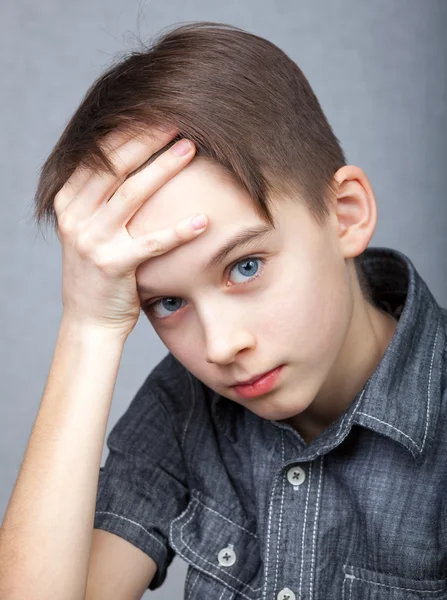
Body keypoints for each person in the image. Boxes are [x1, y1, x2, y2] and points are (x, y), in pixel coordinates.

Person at [1, 20, 446, 600]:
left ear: (346, 214)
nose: (219, 346)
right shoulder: (185, 407)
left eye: (245, 266)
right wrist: (88, 326)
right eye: (166, 302)